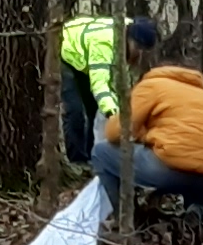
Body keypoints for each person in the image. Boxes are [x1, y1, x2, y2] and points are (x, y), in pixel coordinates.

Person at [95, 62, 203, 222]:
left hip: (174, 169)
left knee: (102, 153)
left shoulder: (151, 85)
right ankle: (198, 217)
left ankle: (126, 220)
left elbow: (115, 131)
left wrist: (143, 135)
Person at [60, 15, 156, 165]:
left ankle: (91, 156)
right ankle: (77, 162)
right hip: (68, 53)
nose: (139, 54)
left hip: (87, 57)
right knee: (75, 111)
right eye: (138, 48)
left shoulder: (131, 28)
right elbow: (100, 85)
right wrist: (114, 114)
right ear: (131, 41)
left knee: (92, 110)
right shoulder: (104, 43)